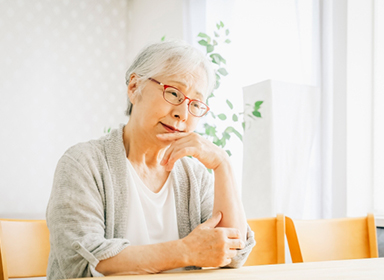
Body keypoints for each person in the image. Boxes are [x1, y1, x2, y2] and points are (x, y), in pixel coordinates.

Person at [46, 40, 255, 279]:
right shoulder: (83, 163)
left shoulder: (195, 176)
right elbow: (83, 262)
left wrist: (222, 165)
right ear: (134, 87)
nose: (183, 114)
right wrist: (184, 252)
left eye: (195, 104)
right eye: (174, 93)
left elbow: (233, 254)